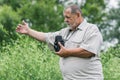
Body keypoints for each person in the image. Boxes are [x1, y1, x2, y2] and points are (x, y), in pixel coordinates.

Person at [16, 4, 104, 80]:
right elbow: (46, 37)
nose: (65, 20)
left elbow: (88, 51)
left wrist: (67, 52)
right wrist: (29, 31)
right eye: (64, 17)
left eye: (68, 17)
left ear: (77, 15)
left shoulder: (91, 29)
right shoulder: (65, 32)